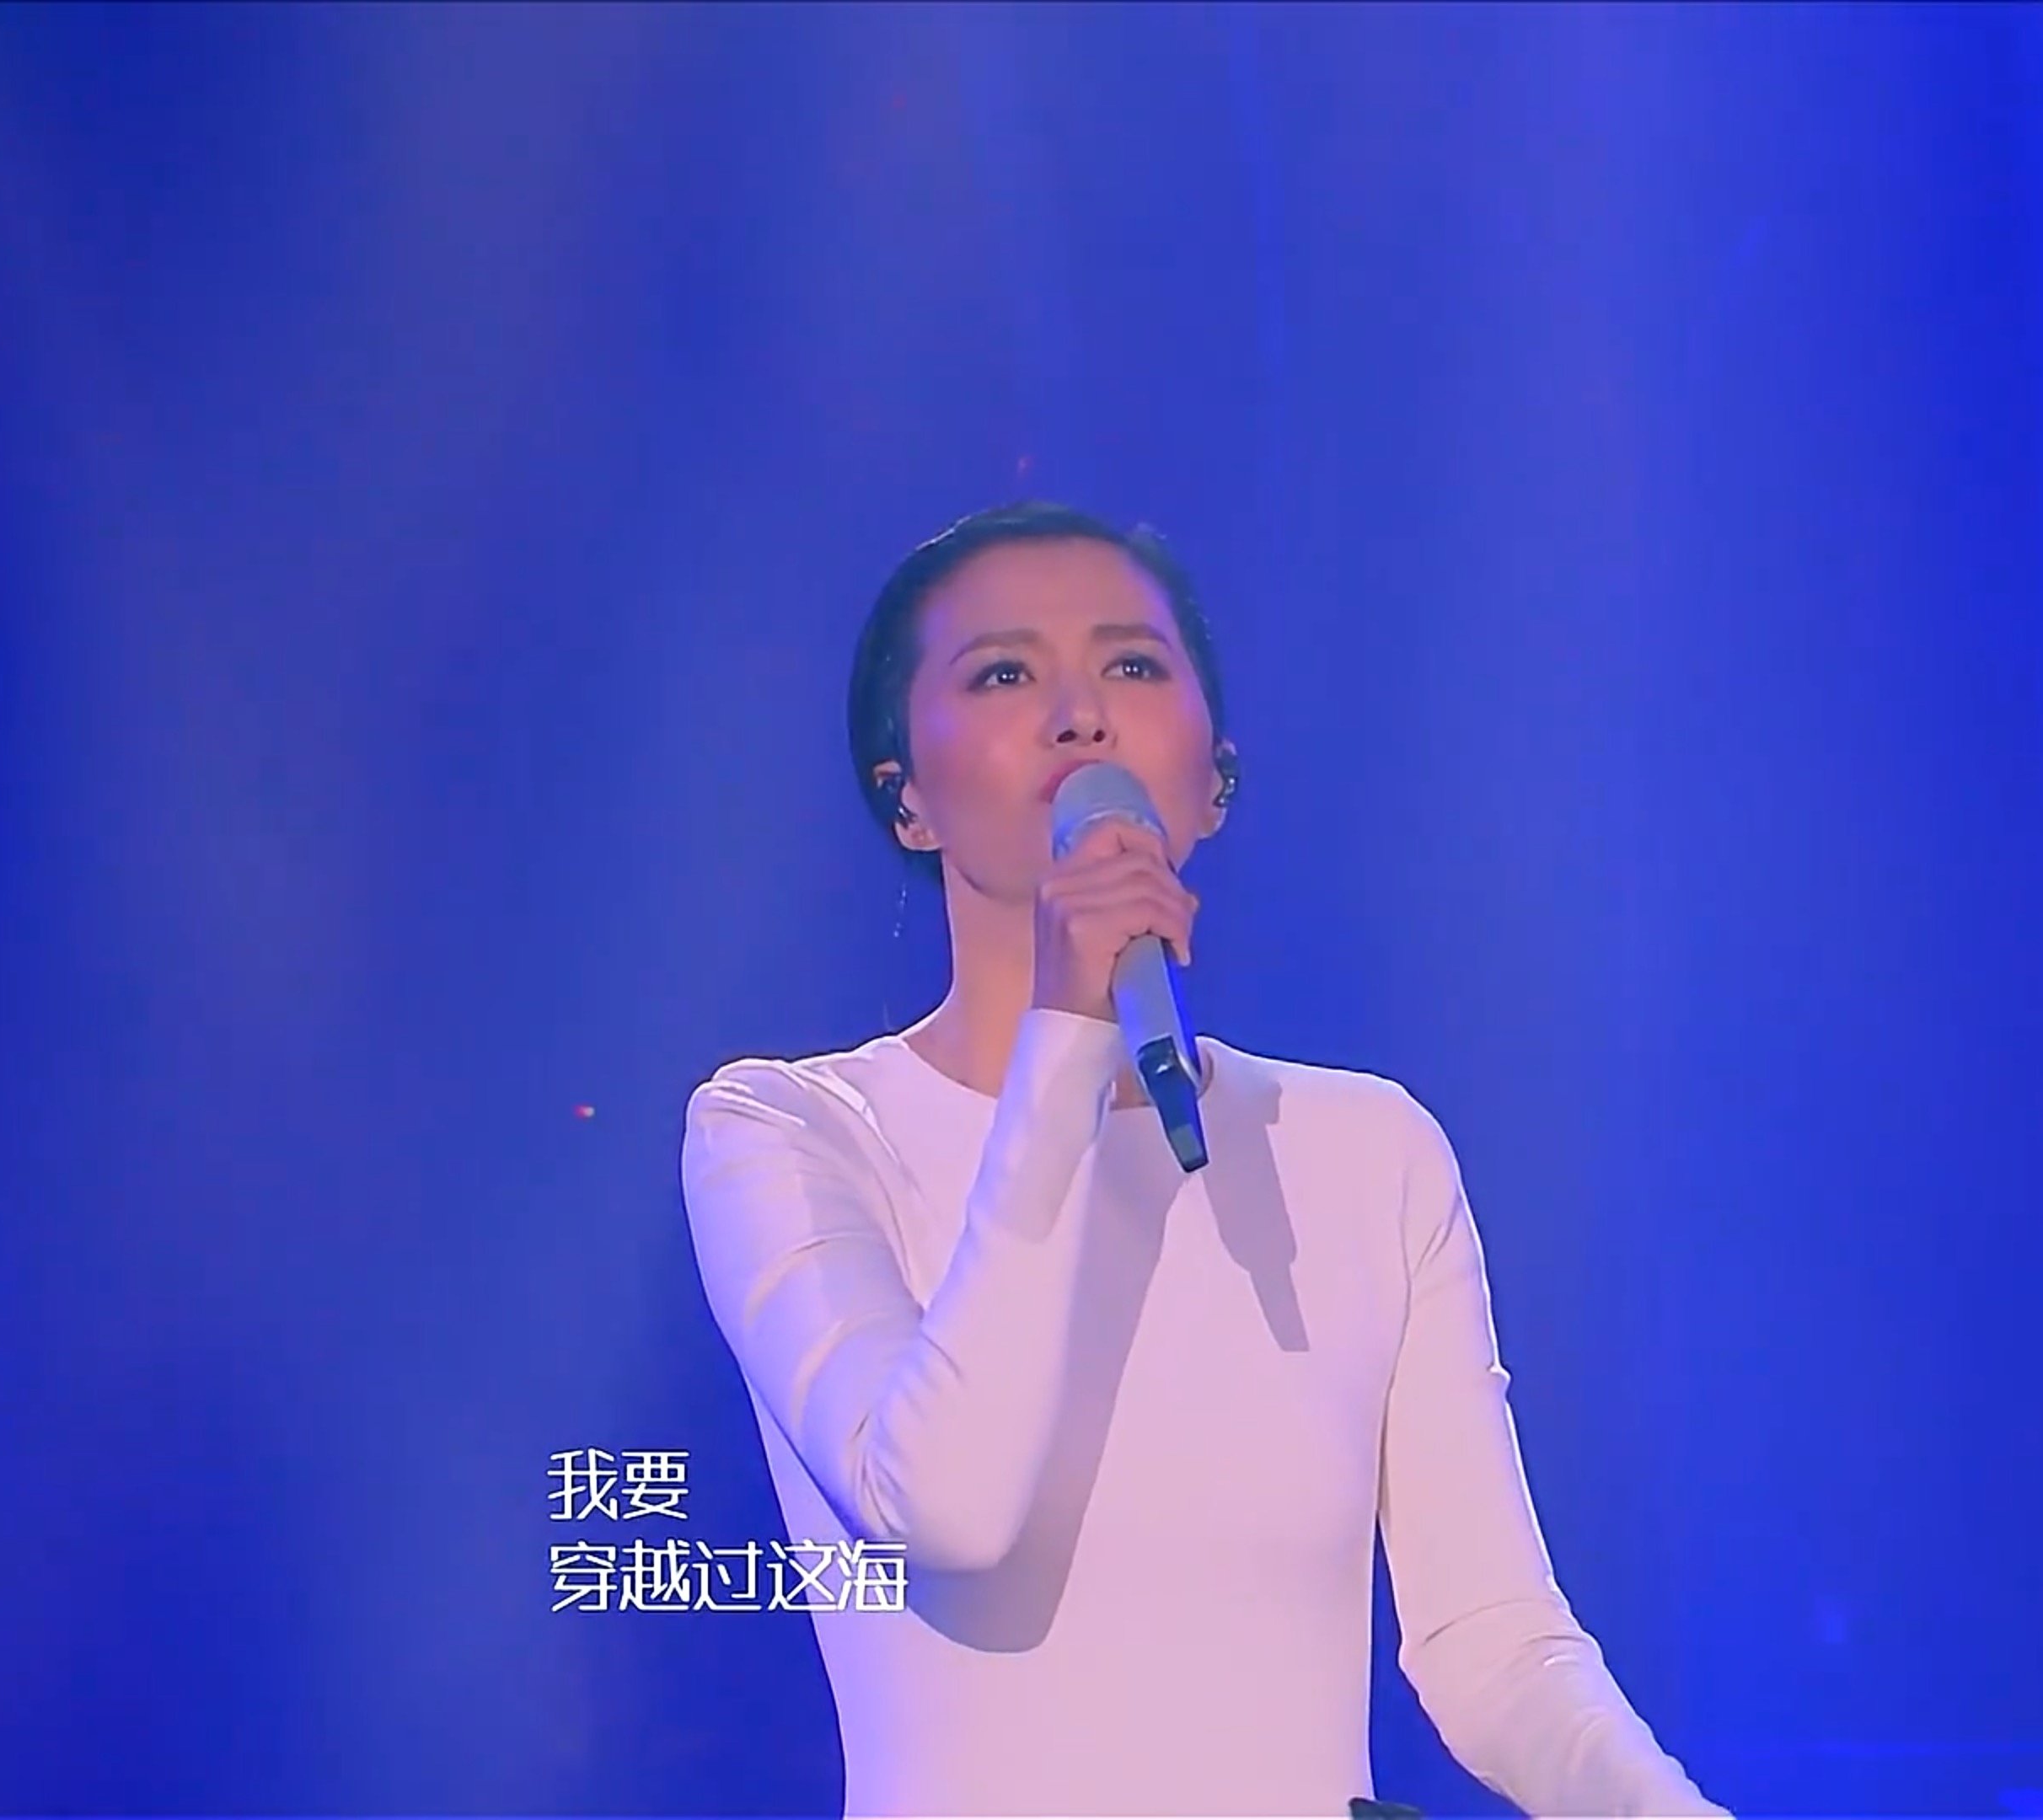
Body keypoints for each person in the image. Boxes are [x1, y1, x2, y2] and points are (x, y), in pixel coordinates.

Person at [678, 502, 1723, 1818]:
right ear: (907, 800)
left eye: (1131, 665)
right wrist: (1066, 1035)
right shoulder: (789, 1130)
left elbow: (1495, 1647)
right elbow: (944, 1507)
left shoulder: (1364, 1147)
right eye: (1003, 675)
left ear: (1214, 780)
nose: (1080, 718)